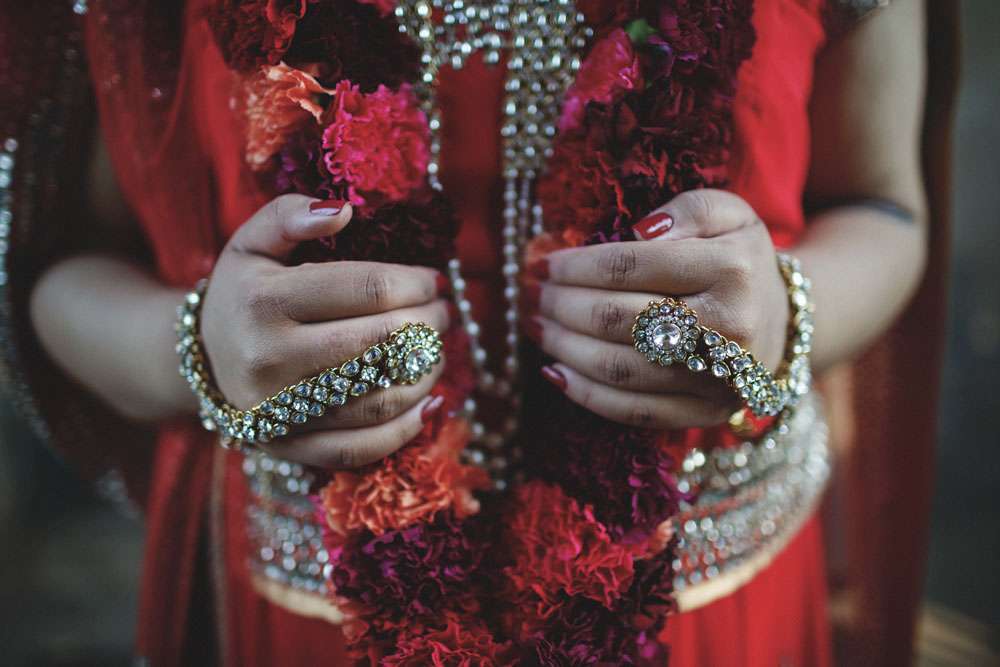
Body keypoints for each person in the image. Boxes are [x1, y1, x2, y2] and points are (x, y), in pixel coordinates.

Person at [0, 0, 949, 664]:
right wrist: (201, 350)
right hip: (320, 614)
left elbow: (885, 207)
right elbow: (59, 263)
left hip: (707, 607)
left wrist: (787, 312)